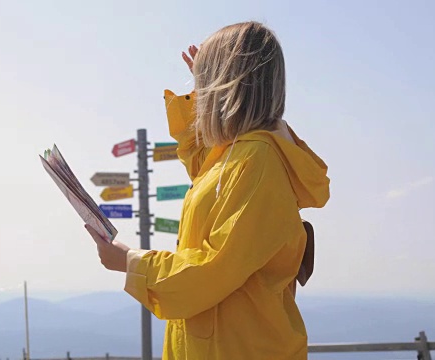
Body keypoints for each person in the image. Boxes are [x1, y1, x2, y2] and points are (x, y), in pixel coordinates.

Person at [85, 21, 330, 359]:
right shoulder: (239, 154)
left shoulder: (258, 159)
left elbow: (214, 267)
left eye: (207, 82)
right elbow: (204, 167)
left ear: (229, 85)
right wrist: (200, 94)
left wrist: (130, 262)